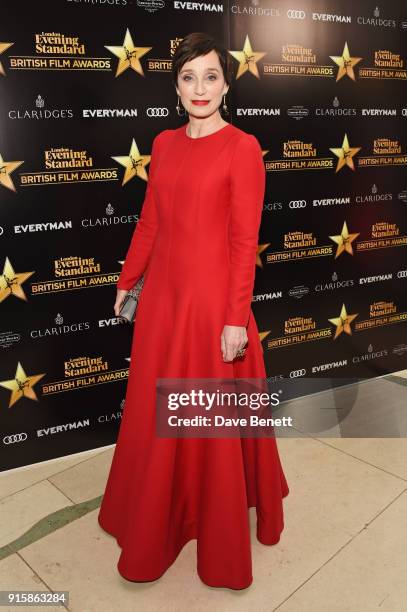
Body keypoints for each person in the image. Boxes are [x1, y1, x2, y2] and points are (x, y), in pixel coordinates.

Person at [98, 31, 289, 590]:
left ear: (227, 83)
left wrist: (235, 319)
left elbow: (242, 242)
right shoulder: (162, 143)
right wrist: (129, 279)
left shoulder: (242, 148)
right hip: (163, 304)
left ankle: (216, 522)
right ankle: (157, 515)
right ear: (176, 86)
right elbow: (151, 221)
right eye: (188, 77)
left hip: (211, 308)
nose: (199, 88)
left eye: (210, 76)